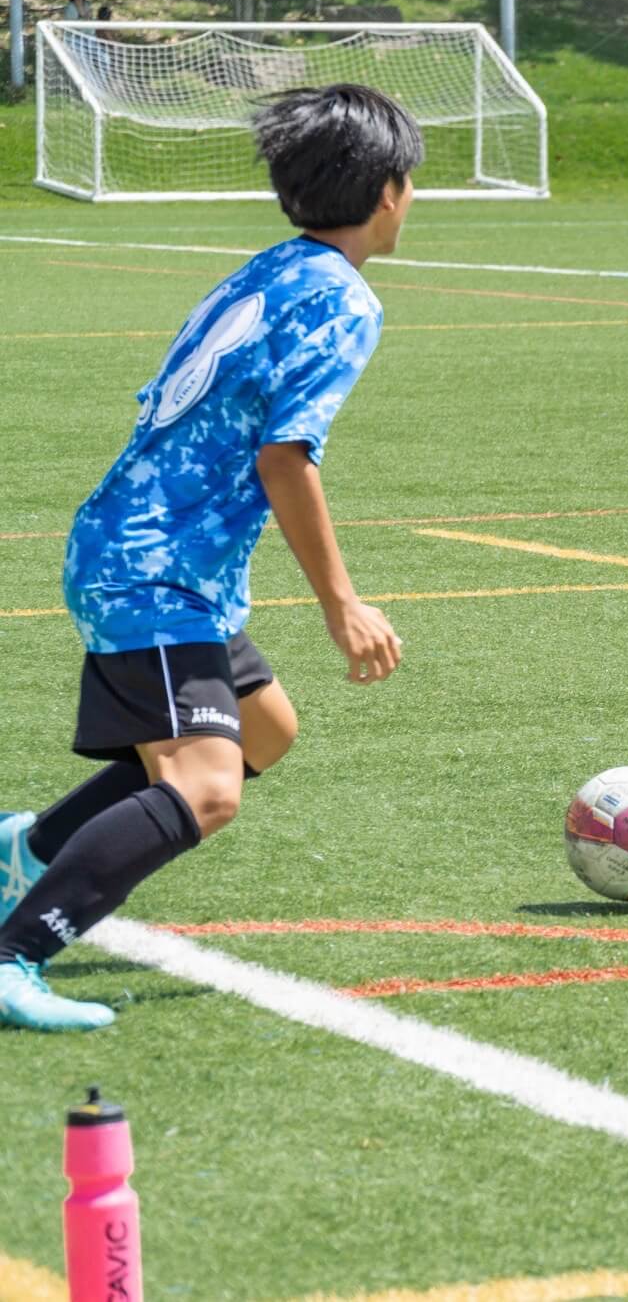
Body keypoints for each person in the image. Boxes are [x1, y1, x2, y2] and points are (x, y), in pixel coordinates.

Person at [0, 84, 419, 1033]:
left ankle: (30, 847)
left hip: (153, 556)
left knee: (263, 731)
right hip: (155, 569)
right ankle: (15, 950)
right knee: (208, 786)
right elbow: (285, 457)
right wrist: (342, 603)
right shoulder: (344, 300)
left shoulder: (272, 268)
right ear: (387, 192)